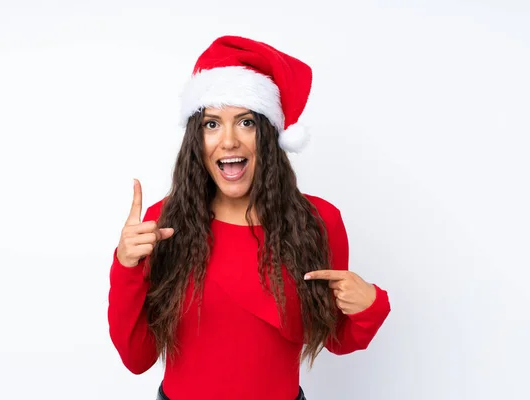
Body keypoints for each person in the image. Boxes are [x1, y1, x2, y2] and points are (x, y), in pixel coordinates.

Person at [107, 35, 391, 400]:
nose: (228, 141)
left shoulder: (318, 221)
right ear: (197, 139)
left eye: (245, 122)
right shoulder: (164, 222)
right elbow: (137, 358)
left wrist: (370, 306)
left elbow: (334, 337)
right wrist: (126, 265)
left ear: (269, 134)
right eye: (212, 124)